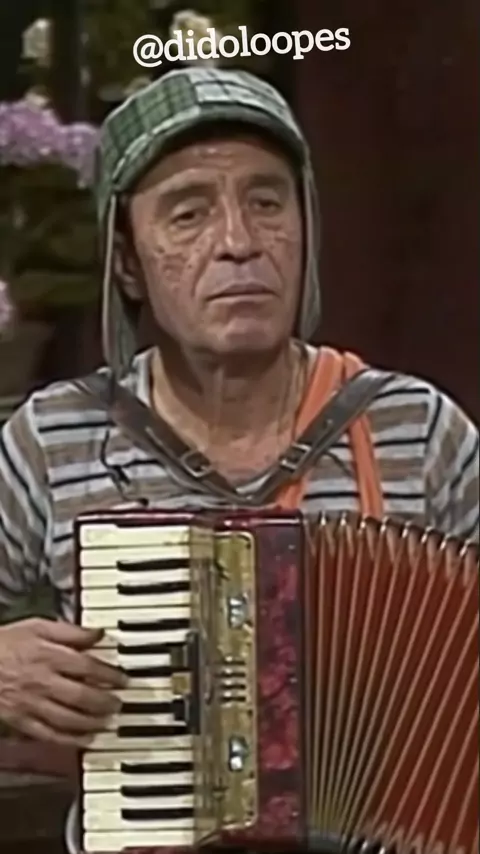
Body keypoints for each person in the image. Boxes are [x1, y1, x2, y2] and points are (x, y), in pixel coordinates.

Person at [0, 65, 478, 775]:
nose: (239, 242)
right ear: (127, 264)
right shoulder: (52, 439)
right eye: (188, 213)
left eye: (267, 203)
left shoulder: (419, 429)